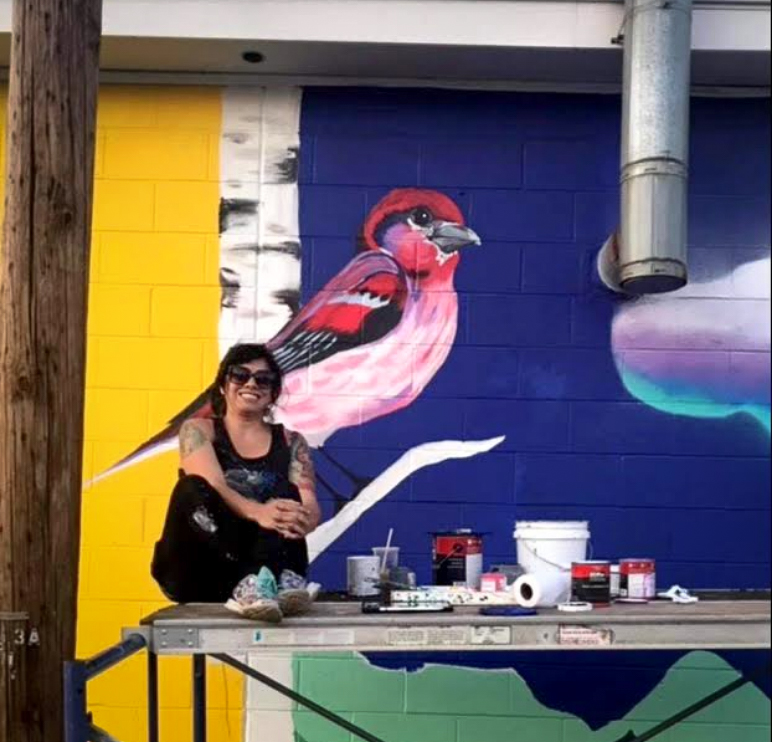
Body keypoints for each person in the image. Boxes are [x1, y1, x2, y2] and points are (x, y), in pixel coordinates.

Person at [151, 343, 321, 622]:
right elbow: (213, 484)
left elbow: (308, 500)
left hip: (266, 575)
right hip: (200, 569)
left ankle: (275, 580)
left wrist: (304, 517)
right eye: (240, 375)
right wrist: (259, 512)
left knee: (288, 494)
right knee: (191, 488)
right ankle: (253, 581)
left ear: (273, 393)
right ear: (223, 385)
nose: (251, 384)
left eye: (262, 379)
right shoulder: (198, 430)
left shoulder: (291, 441)